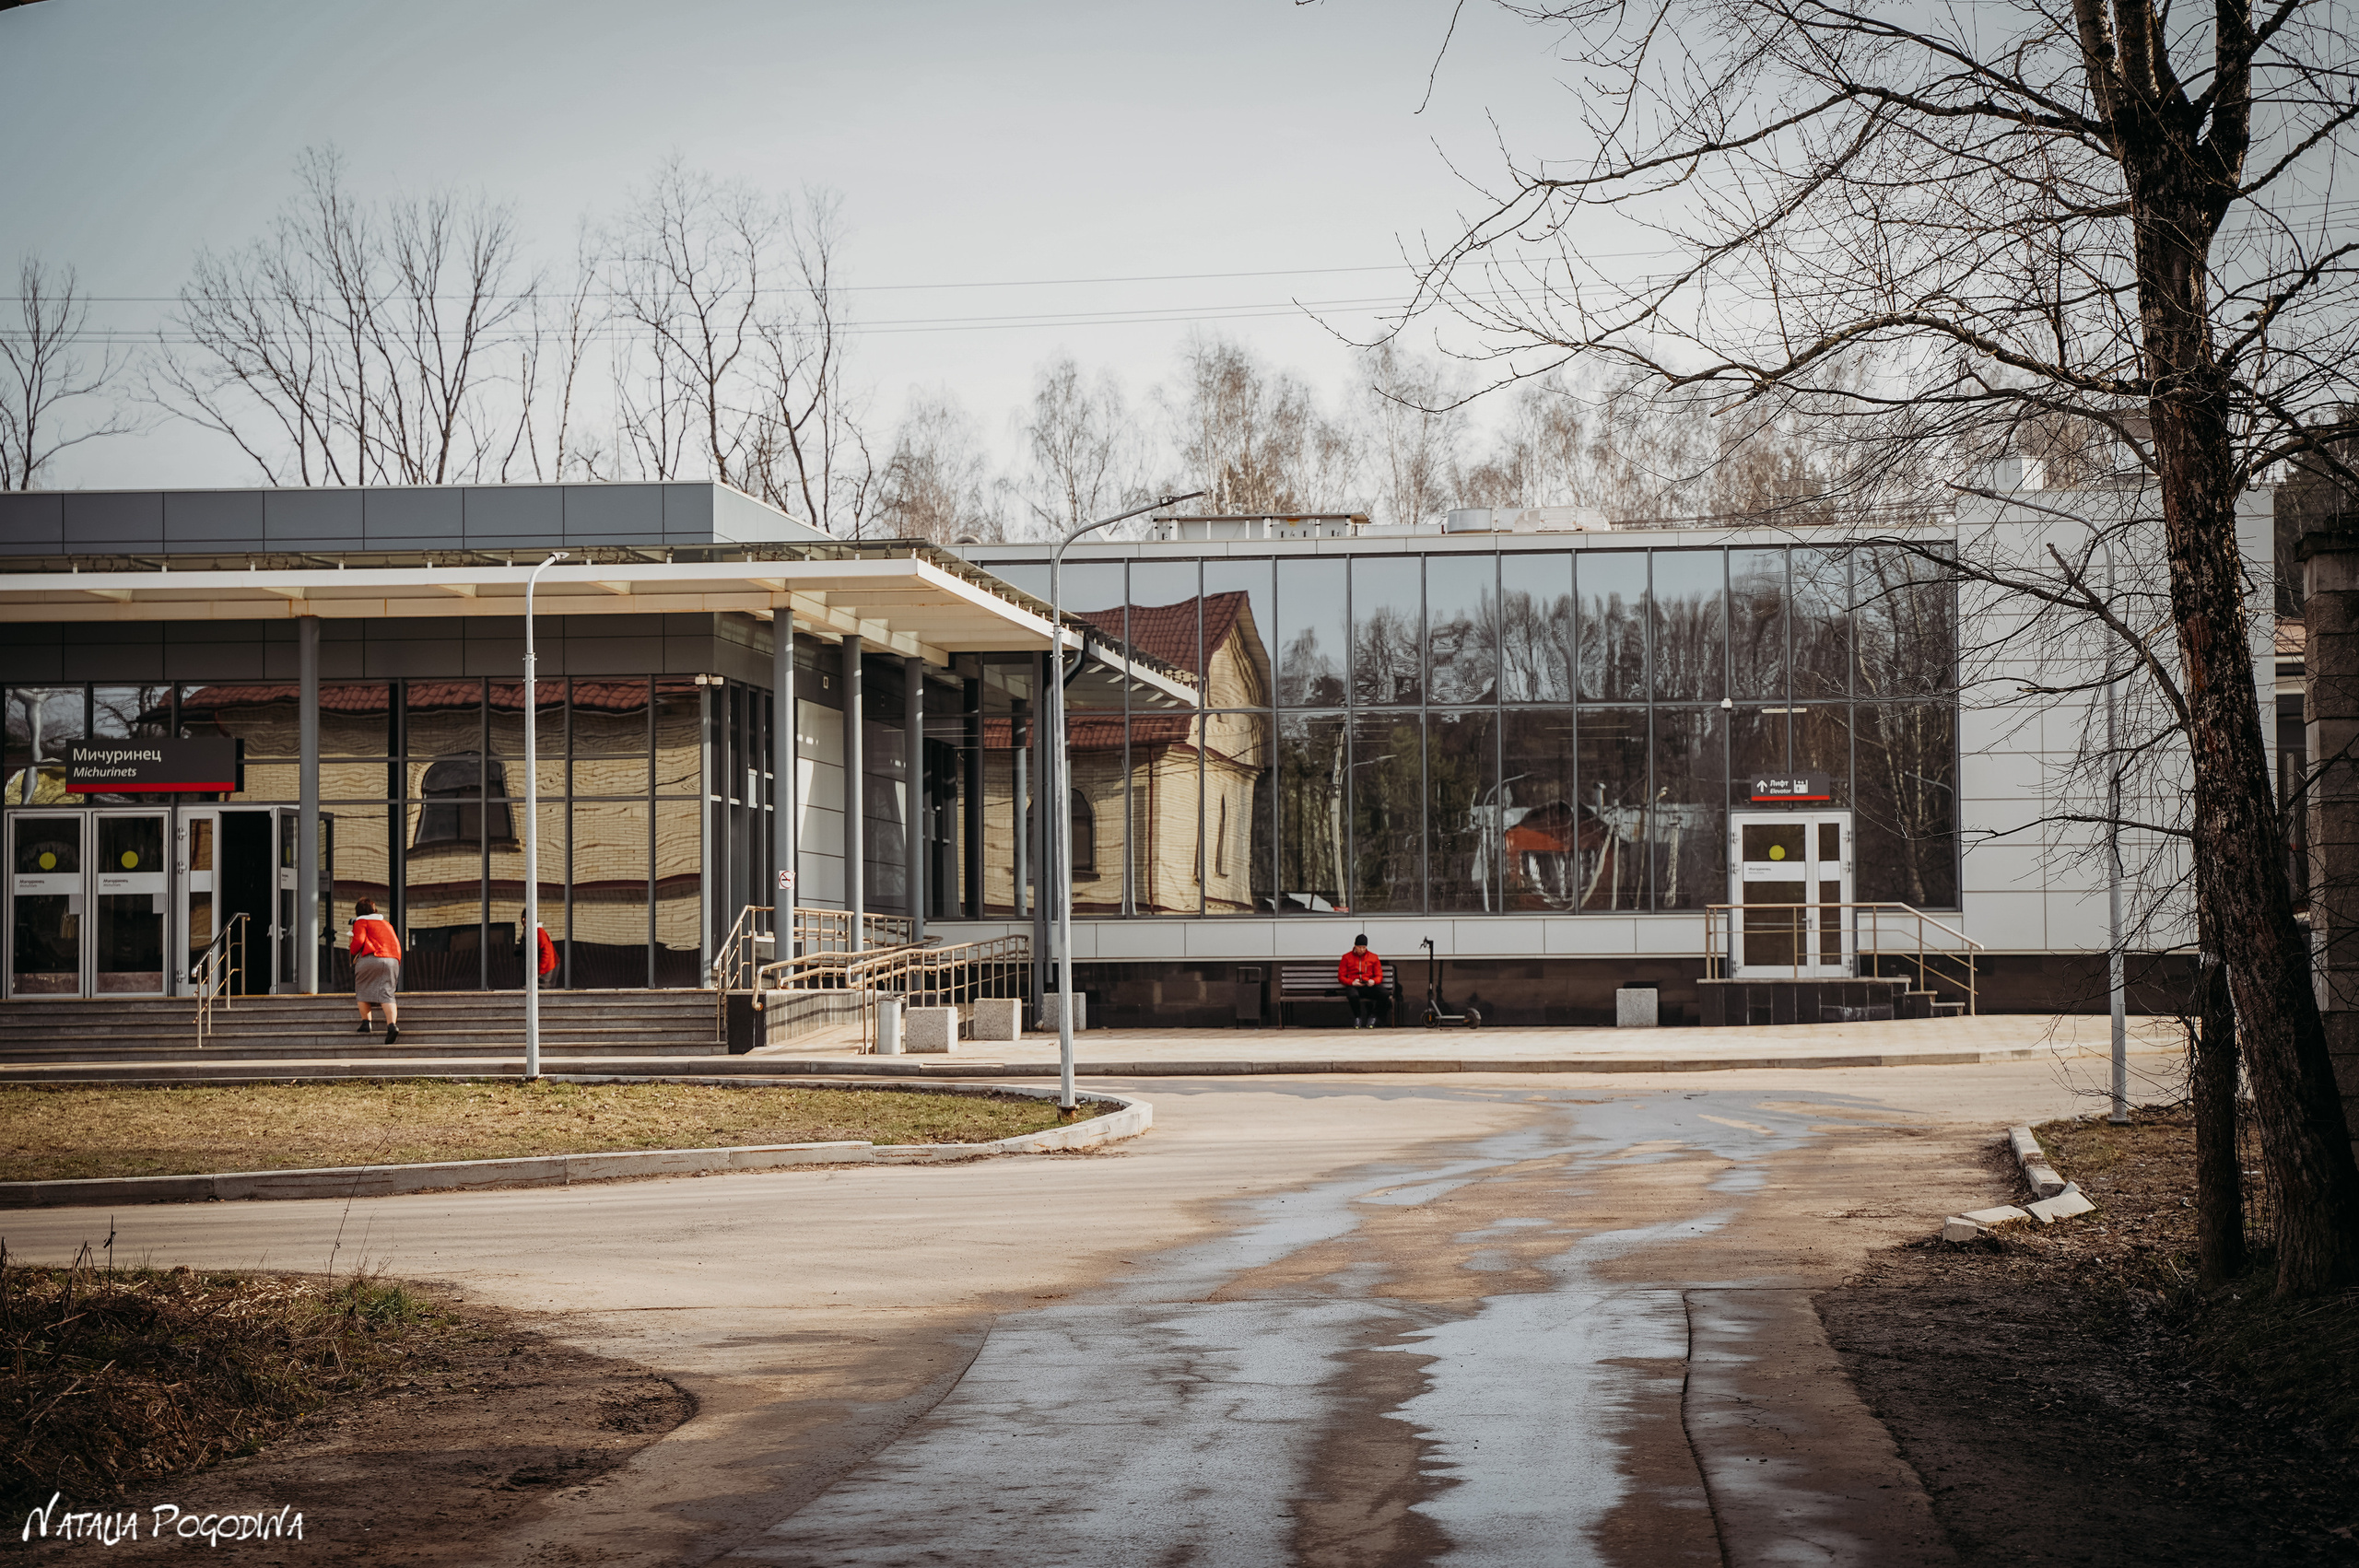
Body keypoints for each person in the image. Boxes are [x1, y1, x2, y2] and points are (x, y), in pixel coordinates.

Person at [349, 898, 403, 1045]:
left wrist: (352, 951)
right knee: (387, 993)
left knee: (362, 988)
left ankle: (366, 1023)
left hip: (372, 958)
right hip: (392, 959)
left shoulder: (361, 922)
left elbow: (359, 941)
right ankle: (392, 1025)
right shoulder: (386, 924)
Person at [1338, 934, 1386, 1029]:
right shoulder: (1346, 957)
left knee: (1384, 994)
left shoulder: (1373, 957)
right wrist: (1351, 982)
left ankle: (1373, 1016)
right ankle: (1358, 1017)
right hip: (1354, 985)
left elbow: (1379, 975)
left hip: (1368, 985)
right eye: (1360, 947)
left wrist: (1373, 981)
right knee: (1352, 995)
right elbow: (1341, 976)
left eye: (1364, 947)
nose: (1362, 950)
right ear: (1355, 946)